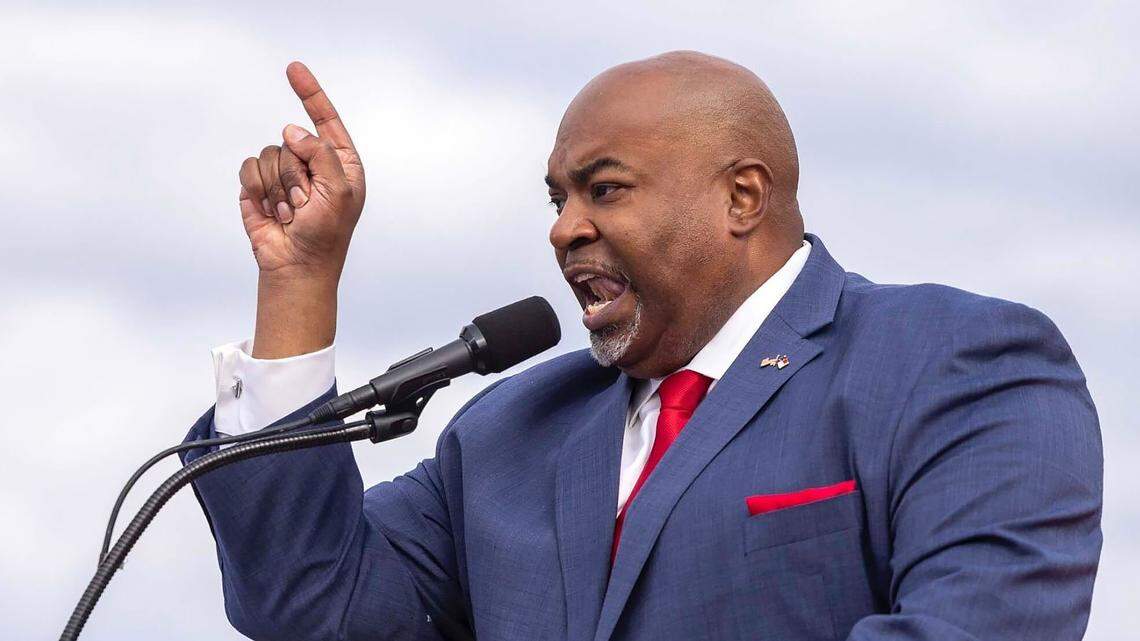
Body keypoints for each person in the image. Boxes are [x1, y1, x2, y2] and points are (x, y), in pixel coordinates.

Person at [182, 52, 1103, 640]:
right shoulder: (509, 430)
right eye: (557, 199)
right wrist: (298, 283)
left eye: (604, 190)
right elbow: (310, 605)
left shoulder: (958, 366)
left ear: (743, 197)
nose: (564, 230)